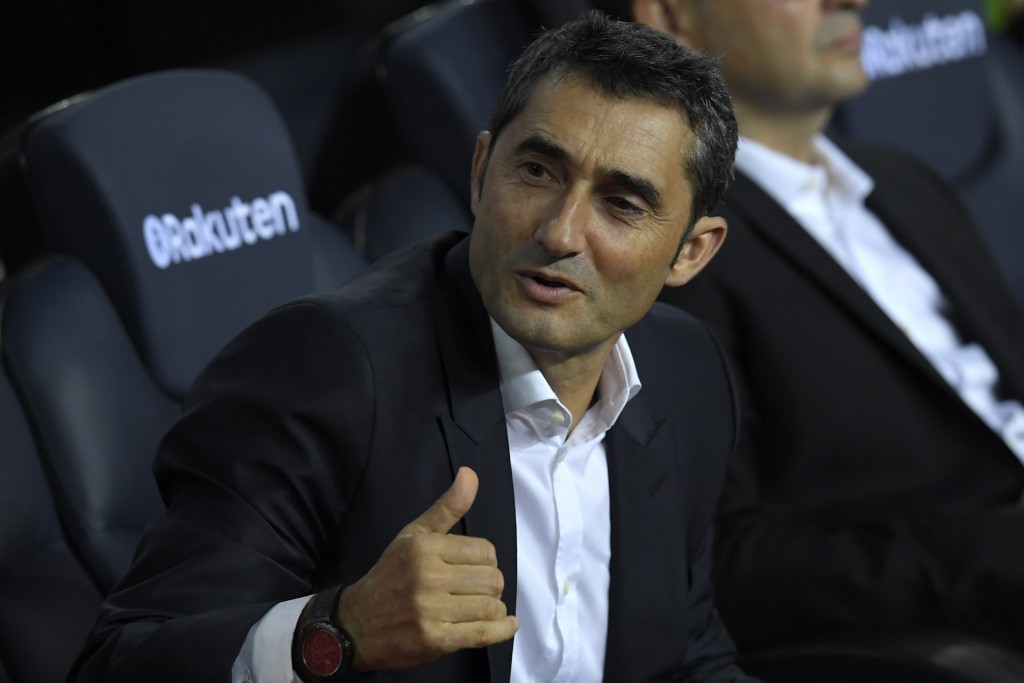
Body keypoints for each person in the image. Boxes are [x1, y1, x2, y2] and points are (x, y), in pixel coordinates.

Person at [69, 12, 759, 683]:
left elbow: (688, 651)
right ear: (482, 169)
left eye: (622, 204)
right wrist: (339, 632)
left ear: (691, 251)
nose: (560, 231)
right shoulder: (328, 369)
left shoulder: (685, 371)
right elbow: (119, 662)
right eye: (539, 172)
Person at [591, 0, 1024, 653]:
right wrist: (992, 556)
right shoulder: (667, 252)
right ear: (673, 16)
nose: (850, 0)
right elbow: (722, 563)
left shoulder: (905, 181)